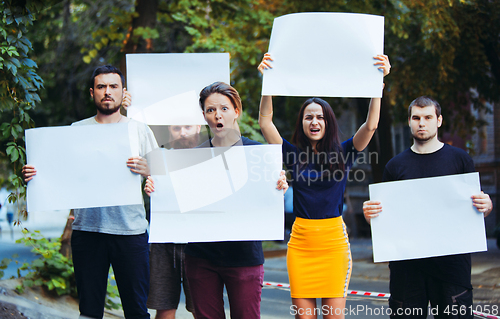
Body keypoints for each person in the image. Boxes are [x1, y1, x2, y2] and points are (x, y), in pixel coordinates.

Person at [258, 53, 391, 319]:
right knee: (304, 317)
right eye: (308, 117)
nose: (314, 122)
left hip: (333, 245)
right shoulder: (293, 154)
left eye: (320, 117)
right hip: (300, 244)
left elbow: (371, 125)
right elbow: (265, 122)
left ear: (328, 122)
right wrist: (268, 84)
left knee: (333, 317)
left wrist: (378, 84)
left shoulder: (345, 152)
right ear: (302, 123)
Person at [22, 65, 157, 319]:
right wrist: (34, 174)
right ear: (92, 93)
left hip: (130, 231)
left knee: (137, 311)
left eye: (113, 86)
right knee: (89, 311)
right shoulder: (76, 129)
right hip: (87, 231)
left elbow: (160, 177)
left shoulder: (138, 130)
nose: (107, 92)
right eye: (101, 87)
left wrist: (149, 171)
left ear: (122, 92)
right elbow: (58, 173)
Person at [144, 81, 288, 319]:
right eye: (210, 110)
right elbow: (176, 202)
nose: (217, 115)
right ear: (204, 116)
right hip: (201, 259)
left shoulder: (259, 154)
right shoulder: (191, 158)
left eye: (223, 108)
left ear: (236, 111)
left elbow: (268, 198)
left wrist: (279, 186)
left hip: (244, 258)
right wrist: (156, 189)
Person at [363, 96, 493, 319]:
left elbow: (475, 208)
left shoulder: (460, 160)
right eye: (416, 118)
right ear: (409, 121)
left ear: (439, 121)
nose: (421, 123)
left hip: (452, 269)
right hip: (407, 271)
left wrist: (486, 205)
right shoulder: (395, 166)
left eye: (427, 117)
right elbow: (384, 220)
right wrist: (370, 215)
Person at [147, 124, 201, 319]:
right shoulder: (157, 158)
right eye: (176, 128)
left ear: (198, 126)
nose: (182, 132)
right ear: (169, 130)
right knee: (164, 307)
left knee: (202, 308)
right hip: (164, 241)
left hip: (200, 243)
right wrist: (149, 183)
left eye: (187, 127)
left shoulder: (212, 155)